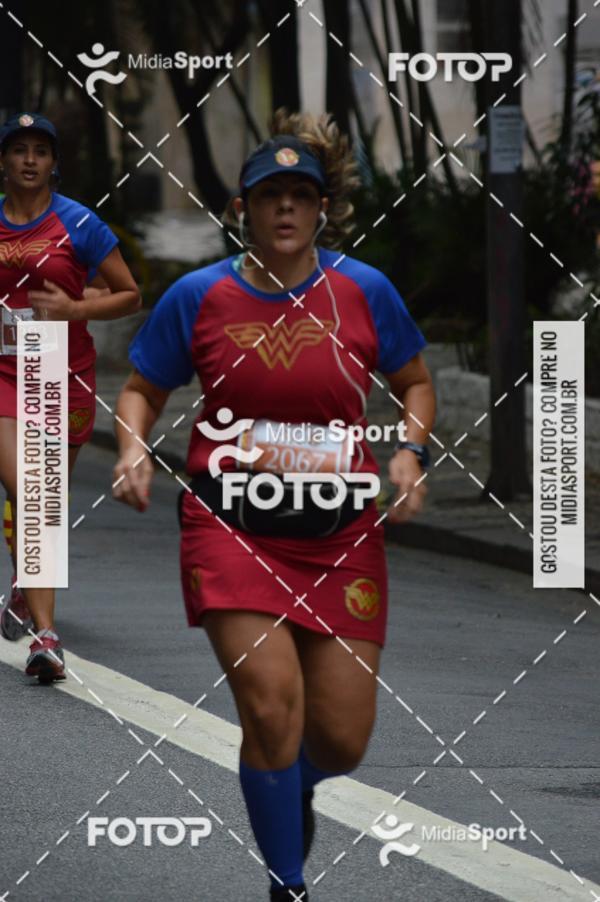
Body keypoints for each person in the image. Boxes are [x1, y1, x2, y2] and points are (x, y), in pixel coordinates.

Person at [113, 110, 435, 901]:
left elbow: (417, 382)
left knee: (341, 738)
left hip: (340, 533)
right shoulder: (199, 297)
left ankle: (289, 790)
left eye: (301, 195)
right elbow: (141, 390)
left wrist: (409, 451)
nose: (286, 209)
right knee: (271, 707)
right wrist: (129, 450)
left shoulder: (365, 292)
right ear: (243, 211)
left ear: (321, 208)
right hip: (231, 528)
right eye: (270, 196)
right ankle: (287, 882)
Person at [0, 112, 140, 682]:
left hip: (58, 370)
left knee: (43, 504)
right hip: (2, 372)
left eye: (41, 150)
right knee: (34, 493)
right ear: (3, 161)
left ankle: (23, 589)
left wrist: (77, 309)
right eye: (18, 150)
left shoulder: (79, 223)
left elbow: (129, 293)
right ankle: (45, 638)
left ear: (55, 164)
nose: (30, 159)